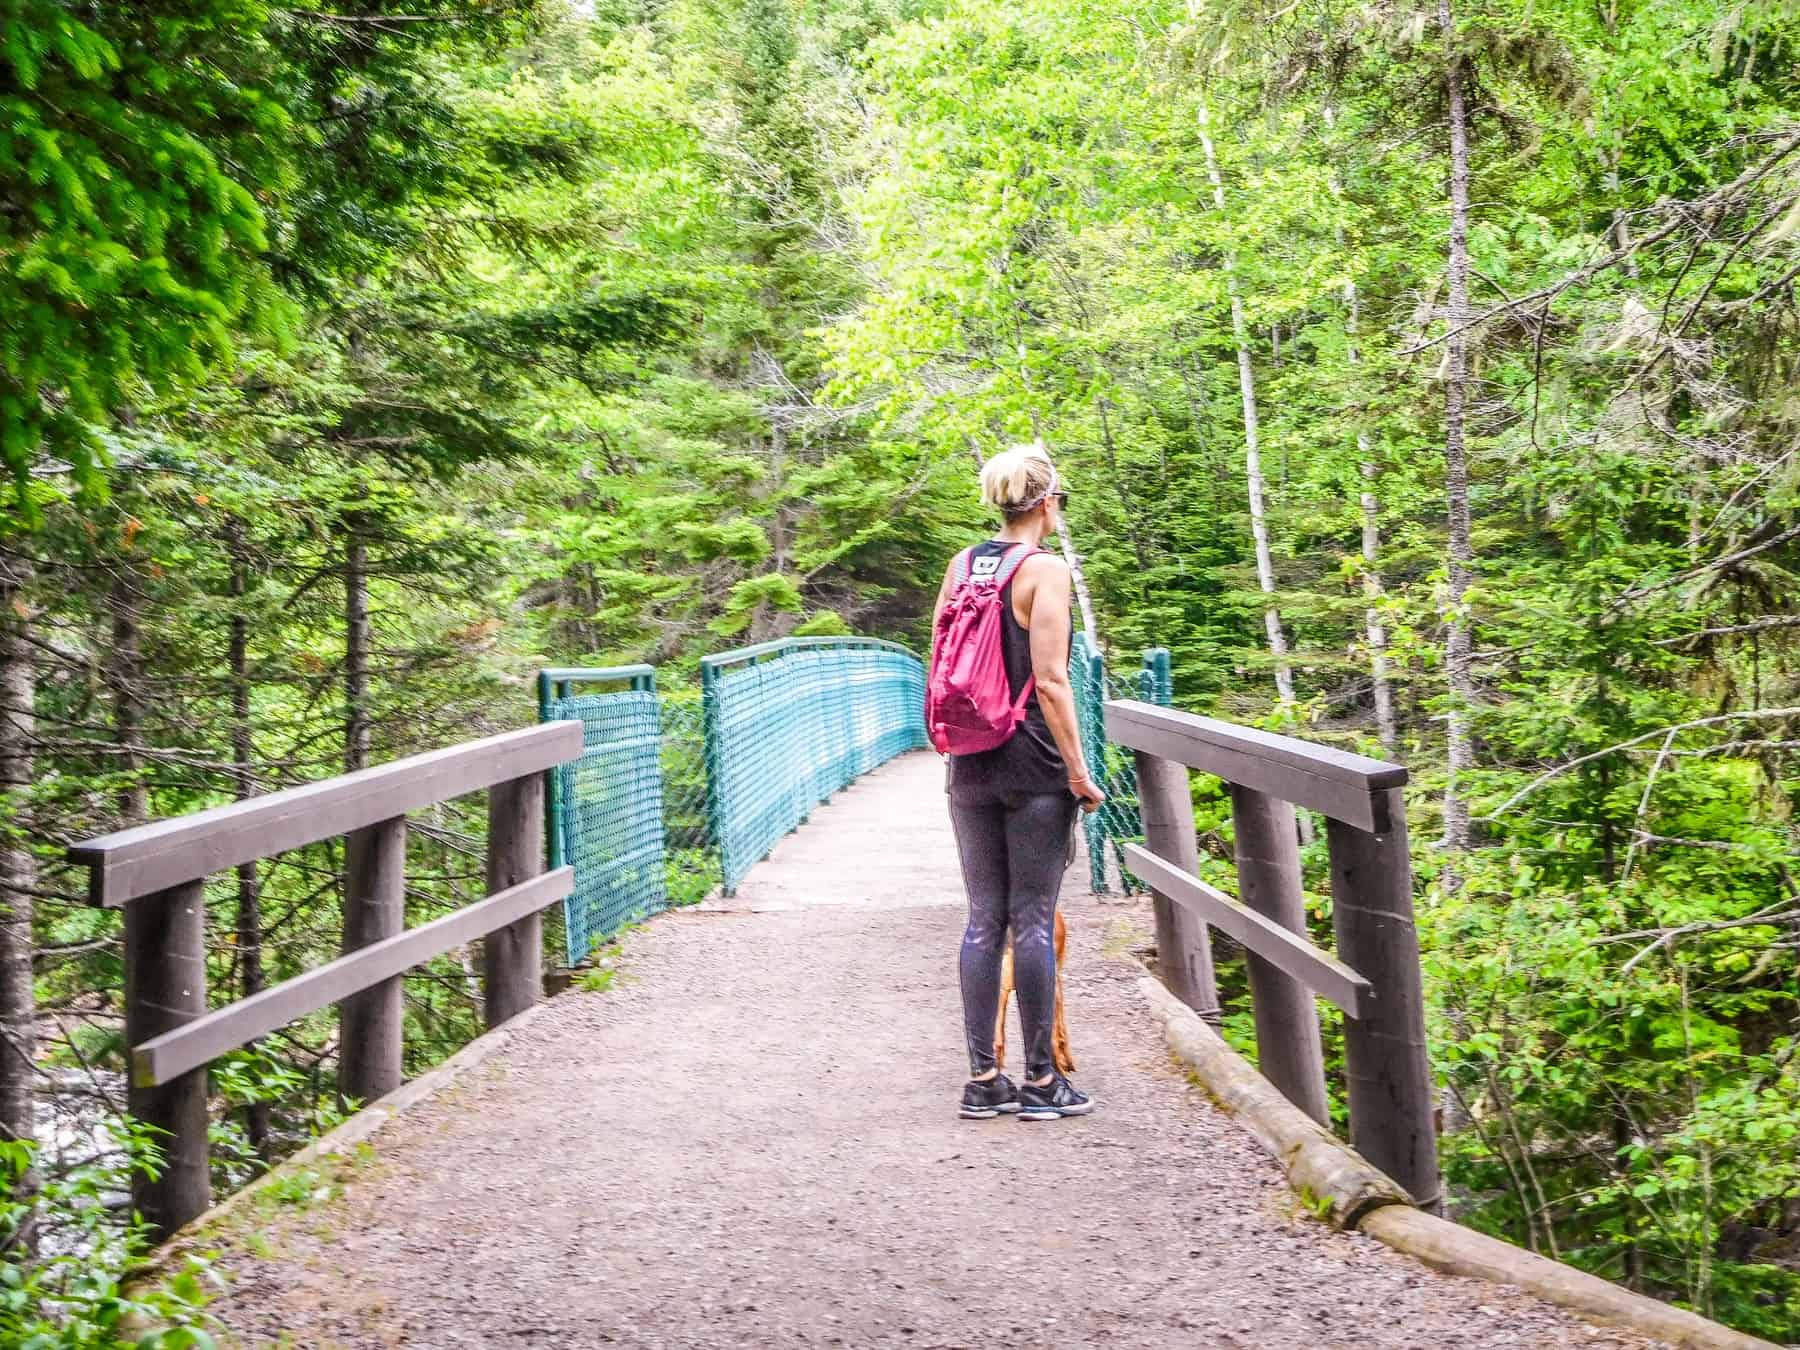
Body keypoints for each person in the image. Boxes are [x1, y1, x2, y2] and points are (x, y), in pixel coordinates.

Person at [933, 442, 1105, 1122]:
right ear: (1048, 502)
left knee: (983, 917)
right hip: (1031, 759)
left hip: (969, 761)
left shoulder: (961, 565)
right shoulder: (1046, 571)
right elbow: (1054, 682)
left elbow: (942, 666)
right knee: (1031, 919)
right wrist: (1079, 772)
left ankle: (983, 1080)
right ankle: (1041, 1084)